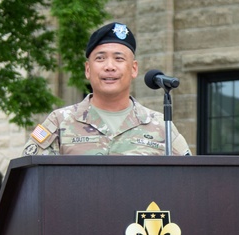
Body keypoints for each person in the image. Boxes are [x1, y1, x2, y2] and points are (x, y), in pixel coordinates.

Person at [22, 21, 191, 156]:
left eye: (119, 59)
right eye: (100, 58)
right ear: (88, 69)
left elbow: (188, 180)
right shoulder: (59, 122)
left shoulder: (160, 126)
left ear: (133, 69)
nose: (109, 67)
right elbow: (30, 179)